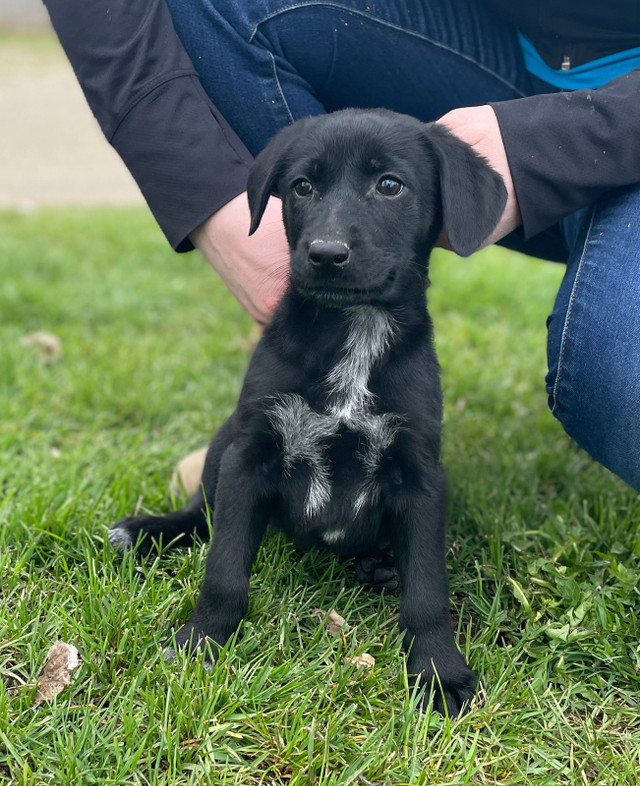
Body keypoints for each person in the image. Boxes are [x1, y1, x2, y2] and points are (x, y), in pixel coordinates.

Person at [43, 0, 639, 490]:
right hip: (505, 47)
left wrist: (553, 142)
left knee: (613, 384)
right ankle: (306, 409)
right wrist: (210, 198)